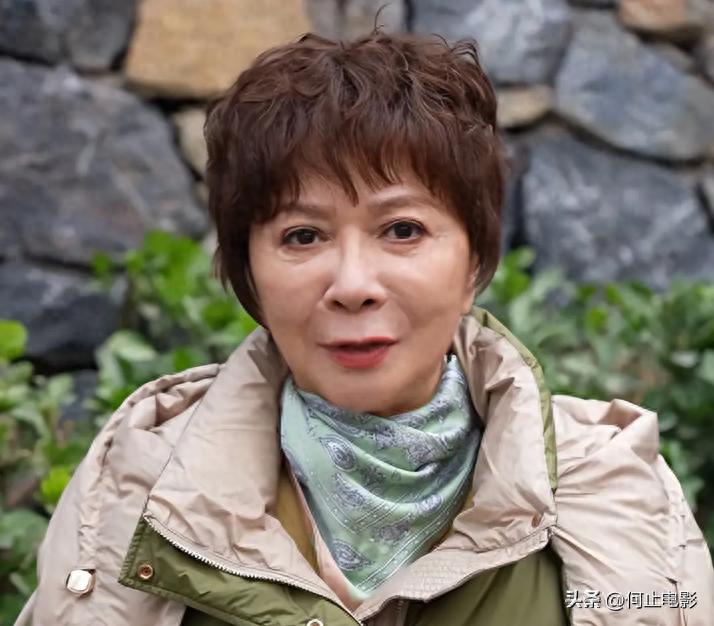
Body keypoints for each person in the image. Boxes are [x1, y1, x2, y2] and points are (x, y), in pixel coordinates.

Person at [15, 27, 713, 626]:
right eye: (302, 236)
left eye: (402, 229)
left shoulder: (611, 487)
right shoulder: (144, 479)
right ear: (248, 272)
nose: (352, 285)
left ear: (474, 261)